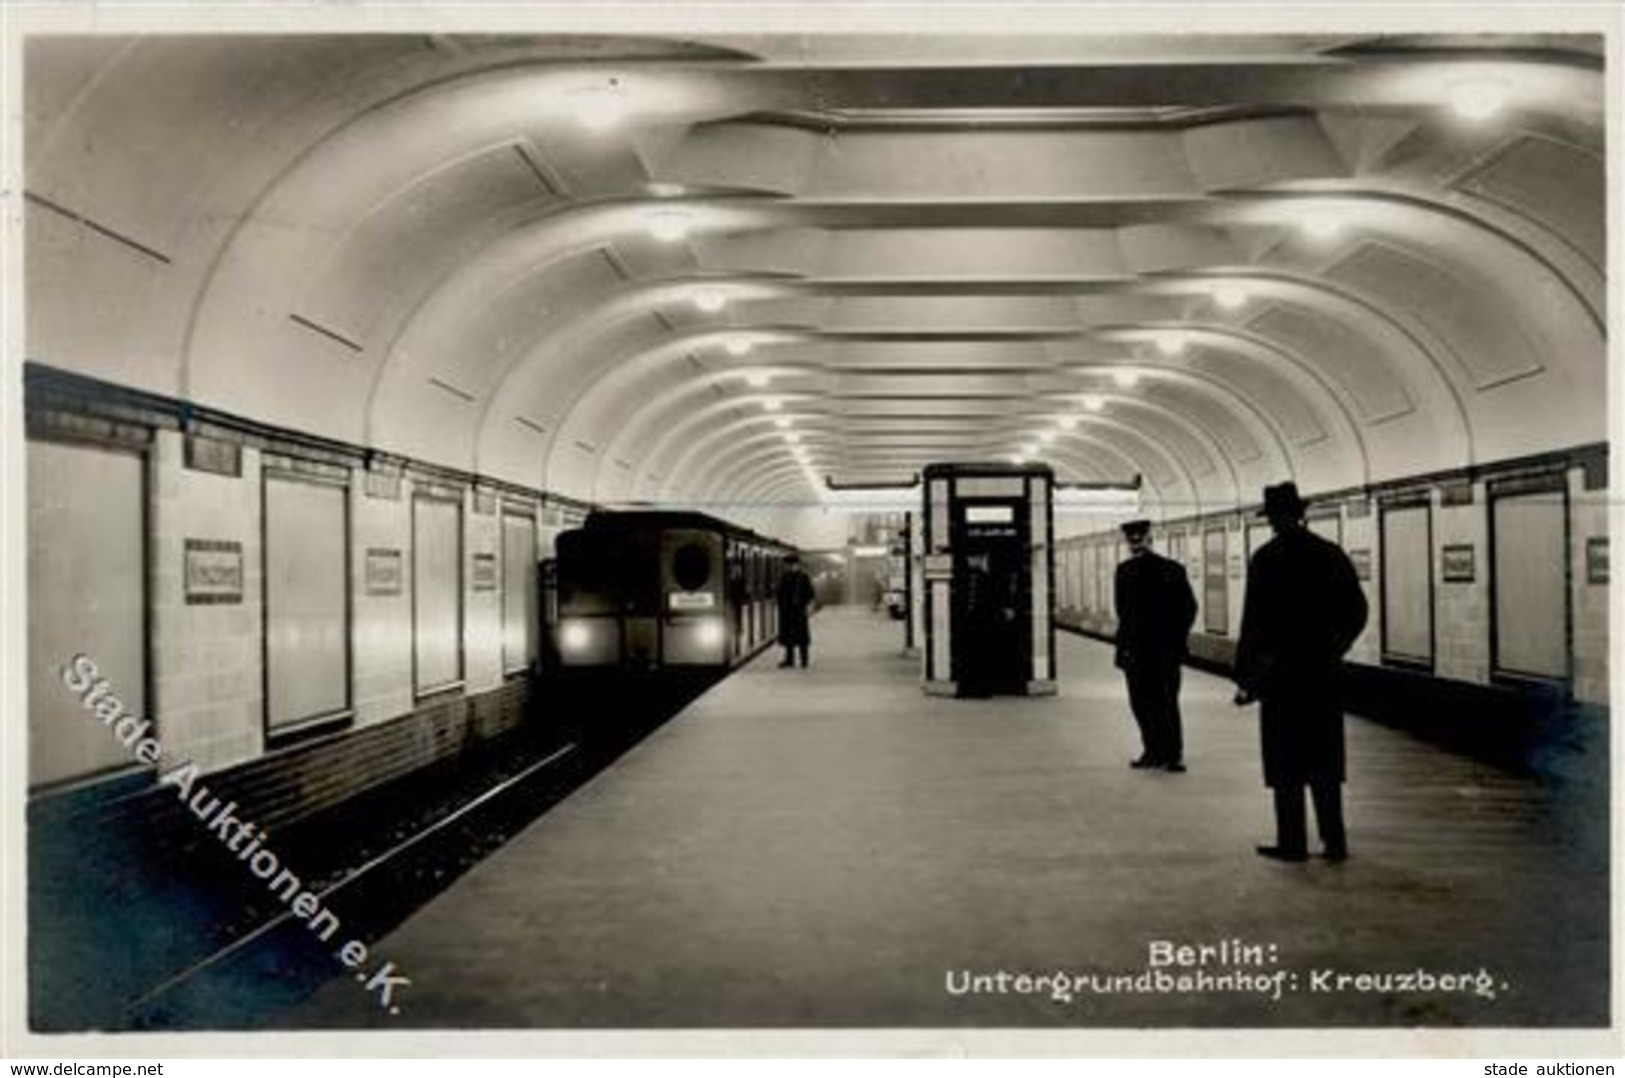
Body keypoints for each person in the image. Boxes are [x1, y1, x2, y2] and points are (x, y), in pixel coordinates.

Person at [1233, 482, 1368, 863]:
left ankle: (1292, 843)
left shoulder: (1266, 558)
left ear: (1273, 518)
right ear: (1301, 513)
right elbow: (1357, 610)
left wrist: (1246, 678)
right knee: (1325, 759)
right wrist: (1334, 647)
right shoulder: (1330, 554)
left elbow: (1253, 623)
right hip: (1323, 675)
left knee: (1286, 760)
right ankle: (1334, 842)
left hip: (1280, 677)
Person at [1113, 519, 1198, 773]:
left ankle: (1157, 751)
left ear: (1143, 539)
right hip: (1162, 651)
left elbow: (1124, 613)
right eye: (1134, 538)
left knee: (1143, 701)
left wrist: (1126, 647)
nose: (1135, 542)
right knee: (1165, 701)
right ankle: (1168, 753)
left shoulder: (1125, 571)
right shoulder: (1173, 569)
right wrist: (1176, 638)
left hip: (1141, 651)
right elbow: (1189, 608)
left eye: (1137, 538)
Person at [776, 554, 816, 668]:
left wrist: (802, 604)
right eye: (787, 565)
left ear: (796, 565)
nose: (787, 567)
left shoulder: (803, 577)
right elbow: (780, 594)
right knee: (789, 638)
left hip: (798, 612)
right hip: (787, 612)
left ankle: (804, 661)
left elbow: (810, 594)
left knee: (801, 638)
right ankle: (790, 660)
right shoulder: (784, 577)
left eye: (789, 565)